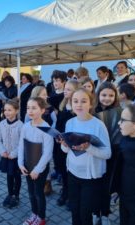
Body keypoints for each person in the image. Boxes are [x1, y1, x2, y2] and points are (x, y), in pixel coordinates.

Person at [60, 88, 111, 225]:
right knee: (75, 210)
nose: (79, 105)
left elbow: (107, 153)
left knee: (85, 213)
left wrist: (88, 147)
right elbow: (65, 150)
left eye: (83, 101)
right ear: (71, 103)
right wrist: (64, 145)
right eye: (75, 101)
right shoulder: (70, 123)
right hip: (72, 174)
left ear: (91, 104)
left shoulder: (98, 125)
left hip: (91, 178)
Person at [18, 97, 54, 225]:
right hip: (28, 166)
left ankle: (41, 217)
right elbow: (21, 146)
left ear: (42, 110)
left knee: (39, 193)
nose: (30, 111)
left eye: (34, 108)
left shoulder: (47, 129)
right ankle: (34, 213)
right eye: (28, 108)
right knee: (31, 192)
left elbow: (47, 153)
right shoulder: (26, 126)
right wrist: (20, 163)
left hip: (40, 169)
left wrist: (37, 170)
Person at [94, 82, 122, 225]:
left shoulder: (119, 111)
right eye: (104, 95)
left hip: (112, 155)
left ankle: (104, 213)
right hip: (94, 154)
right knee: (94, 186)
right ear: (98, 95)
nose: (107, 98)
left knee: (106, 186)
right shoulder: (92, 111)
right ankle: (95, 212)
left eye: (111, 95)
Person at [55, 80, 80, 208]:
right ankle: (65, 193)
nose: (65, 91)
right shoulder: (63, 106)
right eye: (65, 88)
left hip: (73, 145)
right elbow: (59, 125)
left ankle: (72, 196)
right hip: (62, 144)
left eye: (69, 89)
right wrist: (57, 136)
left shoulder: (77, 109)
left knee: (71, 172)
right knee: (64, 171)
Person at [0, 99, 23, 209]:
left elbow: (22, 143)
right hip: (6, 155)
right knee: (9, 176)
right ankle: (10, 193)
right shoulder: (1, 124)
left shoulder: (21, 125)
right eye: (5, 110)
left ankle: (16, 195)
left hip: (16, 157)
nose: (7, 112)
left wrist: (14, 153)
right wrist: (2, 151)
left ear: (16, 111)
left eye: (10, 110)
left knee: (17, 176)